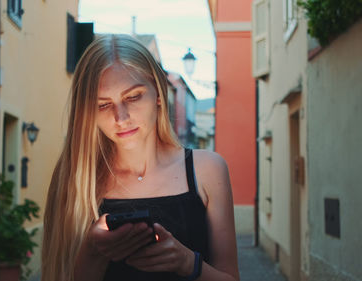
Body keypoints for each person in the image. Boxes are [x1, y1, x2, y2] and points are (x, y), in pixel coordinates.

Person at [42, 34, 239, 281]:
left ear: (158, 94)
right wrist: (93, 252)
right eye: (103, 105)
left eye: (133, 97)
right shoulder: (76, 179)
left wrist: (188, 262)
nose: (121, 117)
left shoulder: (207, 170)